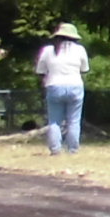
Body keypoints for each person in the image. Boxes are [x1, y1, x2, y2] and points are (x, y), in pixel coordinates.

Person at [35, 22, 89, 155]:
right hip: (75, 85)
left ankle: (55, 149)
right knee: (74, 120)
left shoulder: (48, 50)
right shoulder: (79, 50)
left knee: (54, 121)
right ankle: (73, 149)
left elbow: (41, 70)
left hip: (54, 85)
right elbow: (84, 69)